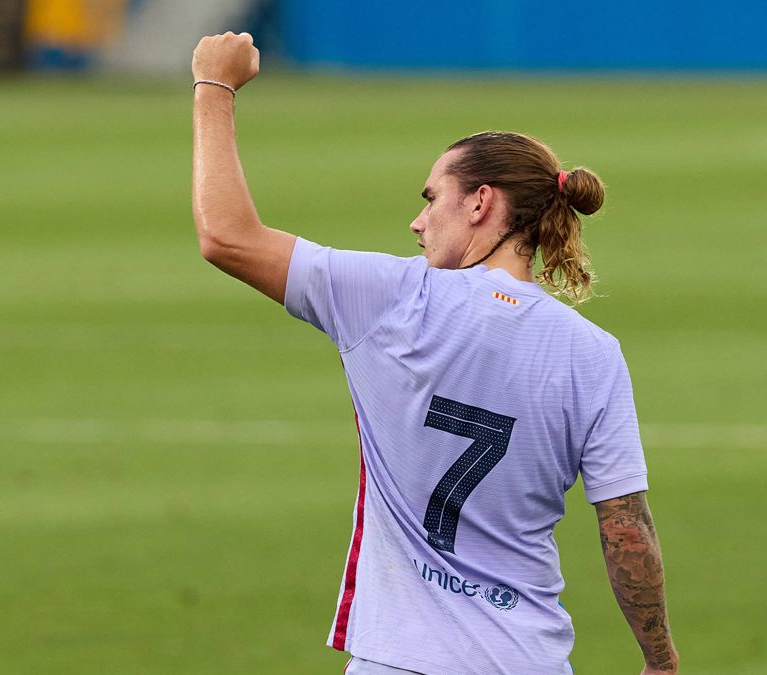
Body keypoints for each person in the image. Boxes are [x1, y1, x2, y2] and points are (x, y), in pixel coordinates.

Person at [191, 32, 678, 675]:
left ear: (480, 202)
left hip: (404, 659)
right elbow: (625, 528)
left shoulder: (391, 299)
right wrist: (659, 658)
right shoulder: (593, 352)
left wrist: (213, 86)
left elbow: (226, 236)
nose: (418, 222)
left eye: (431, 198)